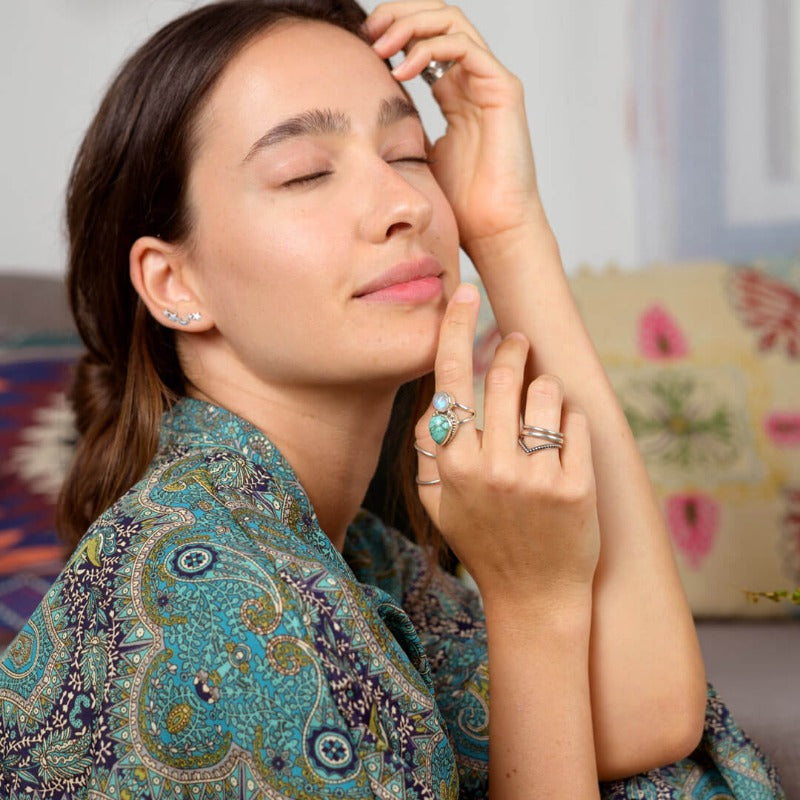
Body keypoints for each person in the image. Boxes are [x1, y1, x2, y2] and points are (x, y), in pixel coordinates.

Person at [0, 1, 785, 797]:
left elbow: (648, 709)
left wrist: (509, 230)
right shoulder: (213, 608)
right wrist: (531, 604)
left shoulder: (357, 551)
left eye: (408, 154)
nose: (404, 204)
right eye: (306, 172)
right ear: (176, 284)